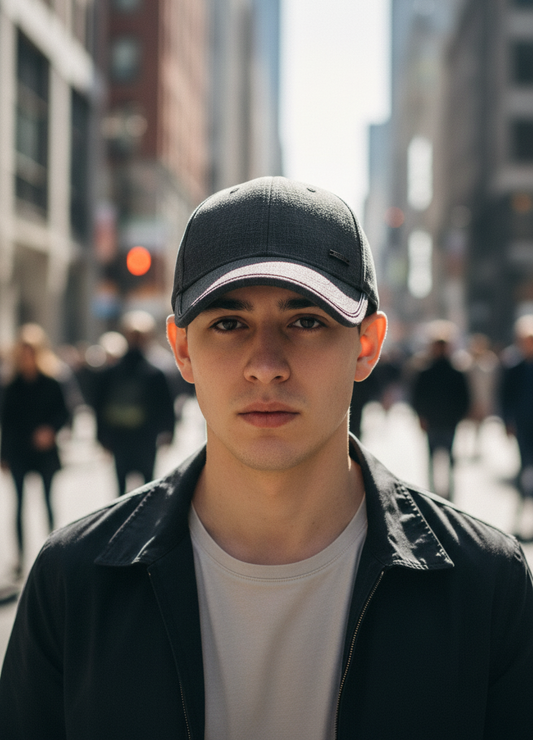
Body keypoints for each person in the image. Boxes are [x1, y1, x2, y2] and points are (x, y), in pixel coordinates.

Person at [0, 177, 532, 739]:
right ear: (182, 350)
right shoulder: (72, 581)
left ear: (367, 346)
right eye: (229, 323)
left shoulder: (485, 585)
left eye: (307, 322)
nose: (266, 365)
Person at [0, 324, 70, 579]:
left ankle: (52, 553)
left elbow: (65, 412)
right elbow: (5, 421)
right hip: (18, 451)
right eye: (23, 351)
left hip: (45, 452)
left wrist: (50, 430)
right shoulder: (12, 384)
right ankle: (19, 557)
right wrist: (3, 455)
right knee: (17, 504)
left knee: (48, 502)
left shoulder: (52, 380)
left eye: (31, 350)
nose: (27, 355)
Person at [93, 310, 176, 495]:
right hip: (133, 436)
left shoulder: (114, 371)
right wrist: (170, 431)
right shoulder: (153, 372)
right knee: (142, 488)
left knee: (132, 488)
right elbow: (100, 404)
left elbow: (165, 404)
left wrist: (101, 436)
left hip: (133, 436)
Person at [411, 322, 470, 501]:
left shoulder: (456, 372)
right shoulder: (425, 372)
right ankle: (432, 494)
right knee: (432, 459)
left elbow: (464, 398)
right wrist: (420, 417)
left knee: (450, 459)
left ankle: (449, 494)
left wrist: (458, 417)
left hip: (448, 422)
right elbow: (417, 397)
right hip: (433, 422)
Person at [501, 314, 533, 539]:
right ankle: (520, 519)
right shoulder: (514, 367)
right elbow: (506, 397)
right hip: (523, 426)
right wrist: (507, 421)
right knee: (523, 473)